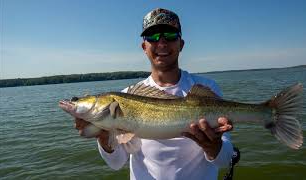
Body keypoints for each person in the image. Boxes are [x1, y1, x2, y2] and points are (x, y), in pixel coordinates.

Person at [75, 8, 233, 180]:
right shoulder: (126, 97)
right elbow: (116, 163)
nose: (162, 43)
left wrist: (213, 146)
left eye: (170, 35)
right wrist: (104, 138)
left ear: (181, 44)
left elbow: (225, 160)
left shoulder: (207, 87)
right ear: (144, 46)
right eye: (153, 36)